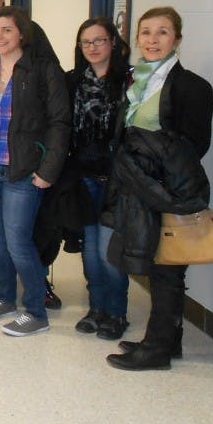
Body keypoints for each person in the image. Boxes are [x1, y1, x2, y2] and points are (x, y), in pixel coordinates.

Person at [104, 7, 213, 371]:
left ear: (177, 39)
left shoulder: (193, 86)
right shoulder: (135, 81)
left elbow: (195, 144)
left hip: (168, 189)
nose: (153, 40)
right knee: (157, 265)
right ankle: (169, 339)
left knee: (167, 268)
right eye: (146, 32)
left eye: (162, 32)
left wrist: (149, 162)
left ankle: (157, 349)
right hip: (138, 188)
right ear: (137, 38)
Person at [0, 7, 70, 337]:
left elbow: (60, 123)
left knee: (18, 240)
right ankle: (4, 299)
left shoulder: (43, 70)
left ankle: (35, 311)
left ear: (22, 33)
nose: (0, 36)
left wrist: (48, 170)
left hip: (24, 170)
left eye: (7, 30)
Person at [67, 18, 131, 340]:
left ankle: (117, 312)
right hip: (82, 177)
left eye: (99, 40)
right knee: (90, 251)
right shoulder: (73, 82)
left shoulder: (129, 83)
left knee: (109, 252)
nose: (92, 47)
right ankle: (96, 309)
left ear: (113, 42)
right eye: (86, 42)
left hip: (116, 180)